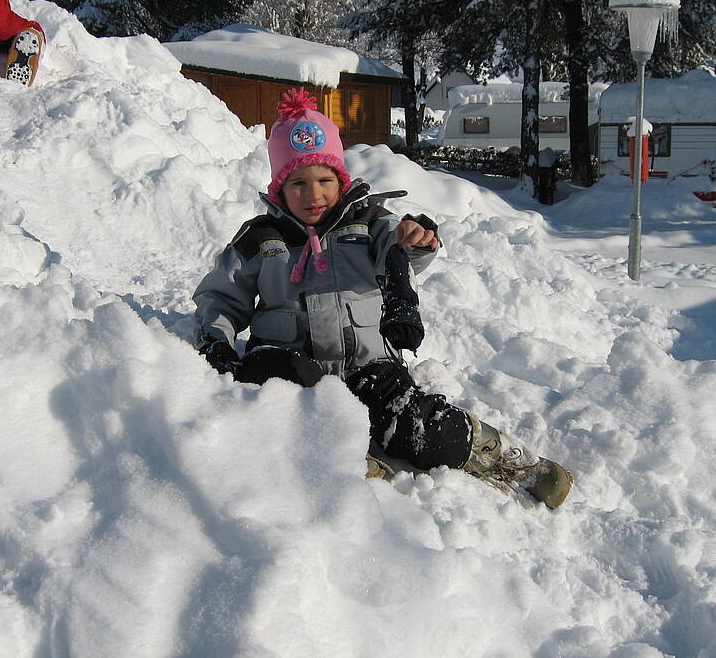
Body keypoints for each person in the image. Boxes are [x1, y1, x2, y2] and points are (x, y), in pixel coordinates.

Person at [193, 87, 573, 508]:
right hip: (292, 367)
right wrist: (217, 340)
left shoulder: (368, 224)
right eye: (297, 182)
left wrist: (416, 238)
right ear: (279, 188)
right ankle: (348, 454)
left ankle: (493, 452)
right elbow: (221, 298)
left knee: (413, 422)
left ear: (341, 180)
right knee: (269, 380)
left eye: (324, 180)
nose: (313, 194)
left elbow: (401, 252)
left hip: (367, 366)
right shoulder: (260, 239)